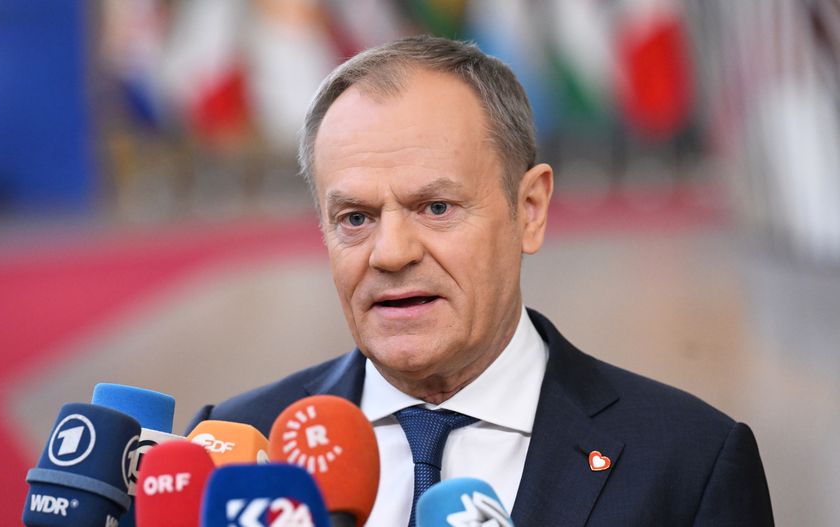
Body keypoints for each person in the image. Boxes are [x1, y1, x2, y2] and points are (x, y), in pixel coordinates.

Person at [188, 35, 774, 526]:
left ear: (530, 209)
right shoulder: (233, 449)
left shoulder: (688, 463)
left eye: (436, 207)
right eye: (356, 218)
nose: (391, 253)